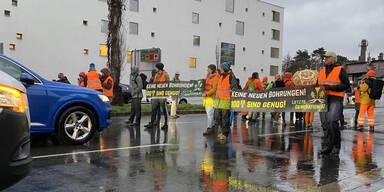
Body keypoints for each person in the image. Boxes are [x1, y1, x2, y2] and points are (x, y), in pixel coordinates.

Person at [318, 51, 349, 155]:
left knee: (332, 121)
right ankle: (328, 146)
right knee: (325, 124)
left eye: (327, 57)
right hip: (323, 99)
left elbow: (346, 85)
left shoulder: (340, 69)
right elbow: (317, 86)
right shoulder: (321, 71)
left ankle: (336, 145)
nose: (325, 59)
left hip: (336, 98)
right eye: (324, 57)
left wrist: (331, 87)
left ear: (334, 59)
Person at [214, 61, 238, 142]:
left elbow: (235, 88)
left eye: (221, 68)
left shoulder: (231, 76)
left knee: (225, 118)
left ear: (224, 68)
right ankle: (221, 131)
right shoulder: (221, 76)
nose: (220, 69)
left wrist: (232, 91)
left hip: (226, 100)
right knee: (217, 117)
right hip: (218, 100)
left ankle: (224, 133)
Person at [145, 63, 170, 130]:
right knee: (153, 109)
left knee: (164, 109)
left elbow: (168, 85)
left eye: (156, 67)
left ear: (159, 68)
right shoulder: (156, 75)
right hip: (156, 95)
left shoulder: (165, 75)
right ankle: (152, 123)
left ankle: (166, 124)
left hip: (162, 95)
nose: (155, 69)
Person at [202, 64, 219, 136]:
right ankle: (212, 126)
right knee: (210, 114)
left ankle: (209, 128)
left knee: (210, 114)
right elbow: (206, 86)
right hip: (207, 97)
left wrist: (207, 94)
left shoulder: (215, 77)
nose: (207, 70)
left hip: (211, 98)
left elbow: (214, 89)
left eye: (208, 69)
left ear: (212, 70)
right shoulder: (208, 76)